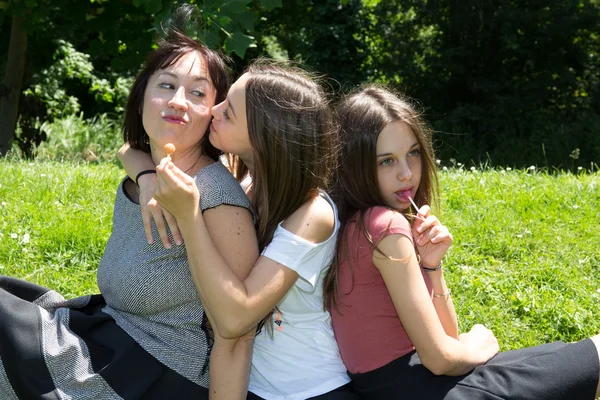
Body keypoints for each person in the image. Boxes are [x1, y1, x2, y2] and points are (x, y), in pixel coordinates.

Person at [0, 6, 258, 399]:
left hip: (155, 373)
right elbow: (129, 148)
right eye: (166, 86)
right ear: (141, 101)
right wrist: (145, 173)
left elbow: (236, 333)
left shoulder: (217, 198)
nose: (178, 101)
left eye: (198, 93)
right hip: (110, 336)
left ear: (213, 114)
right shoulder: (147, 172)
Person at [323, 84, 600, 399]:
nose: (406, 173)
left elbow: (446, 337)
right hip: (424, 387)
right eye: (386, 161)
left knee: (568, 356)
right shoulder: (385, 225)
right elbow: (441, 358)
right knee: (593, 359)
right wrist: (480, 344)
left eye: (412, 153)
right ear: (355, 166)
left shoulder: (353, 224)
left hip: (398, 387)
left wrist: (431, 265)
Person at [121, 60, 358, 399]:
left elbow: (236, 319)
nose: (213, 110)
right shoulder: (243, 180)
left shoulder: (311, 214)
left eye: (228, 111)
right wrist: (145, 176)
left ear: (266, 137)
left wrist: (190, 218)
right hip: (251, 387)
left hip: (307, 390)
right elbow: (130, 148)